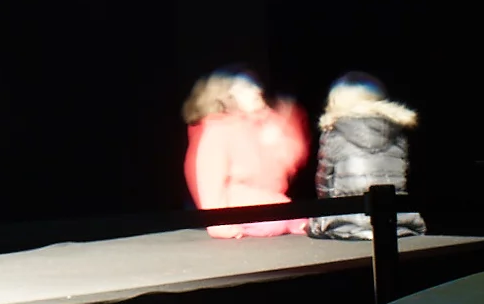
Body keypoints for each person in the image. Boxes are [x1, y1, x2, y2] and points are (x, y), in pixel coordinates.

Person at [182, 69, 309, 238]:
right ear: (227, 96)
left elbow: (286, 167)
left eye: (255, 85)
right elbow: (210, 182)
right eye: (246, 87)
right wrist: (218, 224)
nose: (257, 90)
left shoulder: (265, 123)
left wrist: (282, 135)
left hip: (272, 204)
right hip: (239, 210)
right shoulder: (218, 129)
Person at [308, 73, 426, 240]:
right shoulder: (398, 133)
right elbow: (405, 178)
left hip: (347, 224)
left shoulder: (333, 134)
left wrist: (319, 221)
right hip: (397, 223)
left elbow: (324, 186)